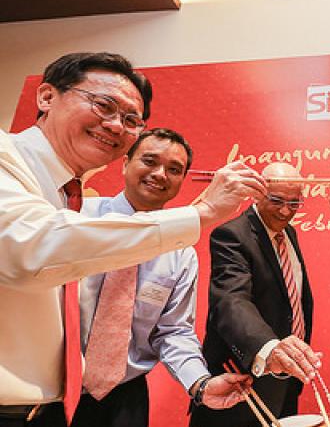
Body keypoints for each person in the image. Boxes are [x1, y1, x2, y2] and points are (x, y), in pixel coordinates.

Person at [0, 52, 265, 427]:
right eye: (103, 105)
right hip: (40, 403)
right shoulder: (73, 212)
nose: (114, 125)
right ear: (46, 97)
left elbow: (173, 331)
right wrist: (201, 213)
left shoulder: (175, 248)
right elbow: (32, 247)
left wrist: (200, 383)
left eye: (130, 120)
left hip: (100, 400)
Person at [72, 129, 248, 427]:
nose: (160, 174)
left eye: (174, 170)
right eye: (150, 161)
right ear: (125, 163)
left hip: (125, 396)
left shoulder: (180, 252)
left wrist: (200, 383)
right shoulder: (79, 217)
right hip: (55, 389)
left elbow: (173, 331)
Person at [191, 163, 321, 427]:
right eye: (277, 201)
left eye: (294, 203)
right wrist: (270, 349)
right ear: (258, 193)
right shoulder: (232, 235)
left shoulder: (288, 232)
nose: (285, 211)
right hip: (242, 379)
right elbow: (231, 301)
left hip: (285, 376)